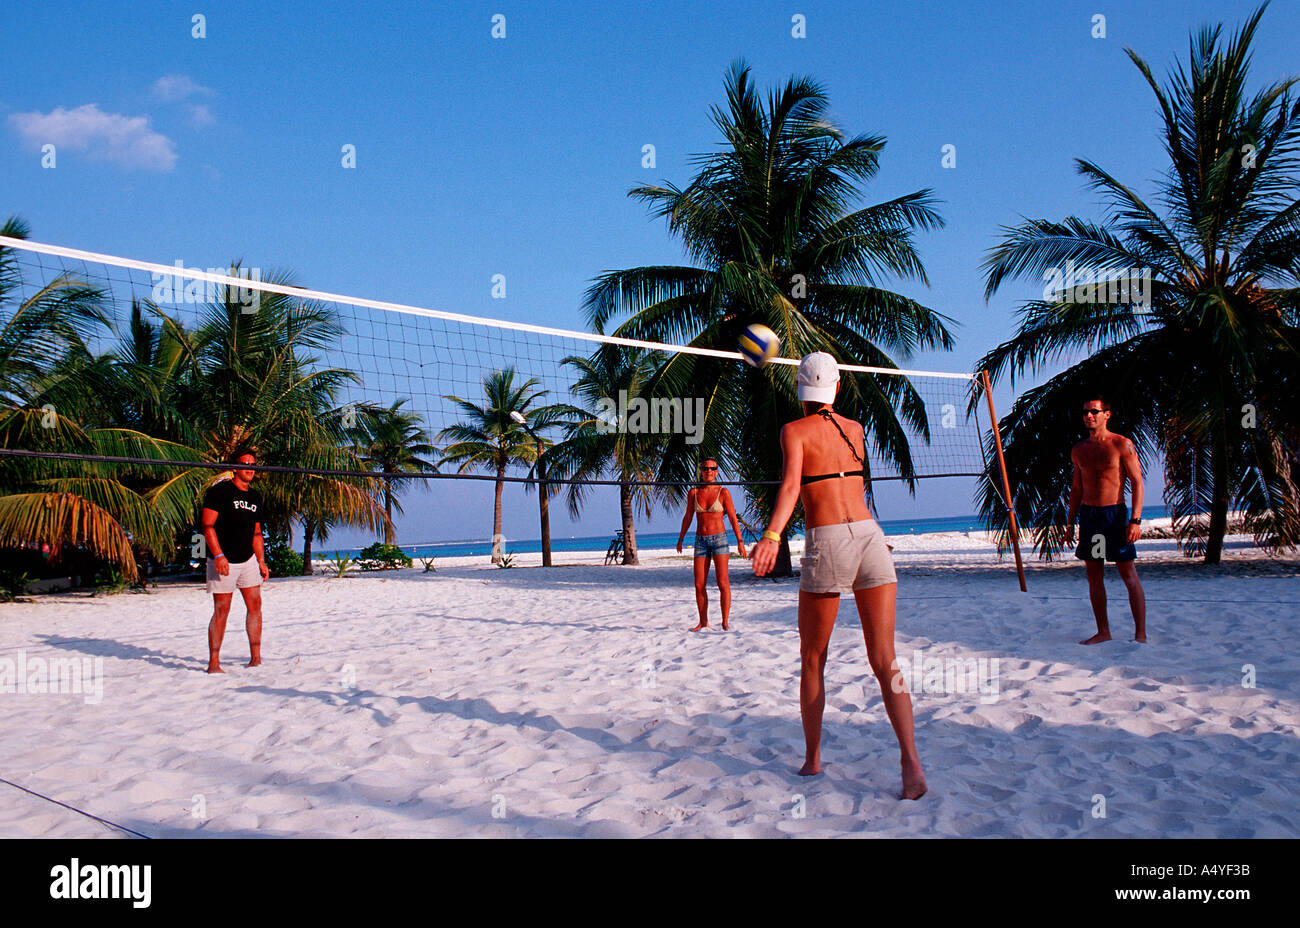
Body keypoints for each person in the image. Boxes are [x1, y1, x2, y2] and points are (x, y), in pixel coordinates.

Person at [752, 352, 926, 799]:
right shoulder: (857, 430)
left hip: (828, 540)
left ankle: (813, 760)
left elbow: (792, 486)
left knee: (813, 657)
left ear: (800, 390)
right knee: (885, 658)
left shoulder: (793, 430)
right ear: (837, 386)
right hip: (871, 538)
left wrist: (772, 535)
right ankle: (910, 762)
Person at [1064, 396, 1147, 644]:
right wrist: (1070, 524)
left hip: (1115, 516)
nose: (1089, 416)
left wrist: (1135, 520)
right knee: (1094, 575)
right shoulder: (1079, 450)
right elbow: (1076, 489)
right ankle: (1103, 631)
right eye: (1085, 412)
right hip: (1090, 518)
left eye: (1094, 411)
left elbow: (1137, 482)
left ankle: (1140, 633)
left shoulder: (1121, 444)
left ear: (1106, 415)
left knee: (1128, 574)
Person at [200, 448, 269, 673]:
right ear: (235, 467)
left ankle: (255, 658)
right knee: (222, 609)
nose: (250, 468)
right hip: (223, 560)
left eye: (253, 464)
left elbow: (257, 532)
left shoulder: (255, 496)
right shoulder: (220, 492)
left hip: (248, 559)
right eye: (245, 464)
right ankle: (214, 663)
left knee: (255, 606)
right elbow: (207, 526)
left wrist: (261, 561)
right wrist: (218, 555)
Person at [676, 458, 747, 631]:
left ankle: (724, 622)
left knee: (723, 583)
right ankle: (703, 621)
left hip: (720, 540)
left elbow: (732, 518)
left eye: (712, 468)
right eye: (705, 468)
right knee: (699, 584)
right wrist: (681, 538)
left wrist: (740, 541)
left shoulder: (723, 492)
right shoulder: (693, 493)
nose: (708, 471)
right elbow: (688, 517)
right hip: (700, 540)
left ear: (716, 471)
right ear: (700, 470)